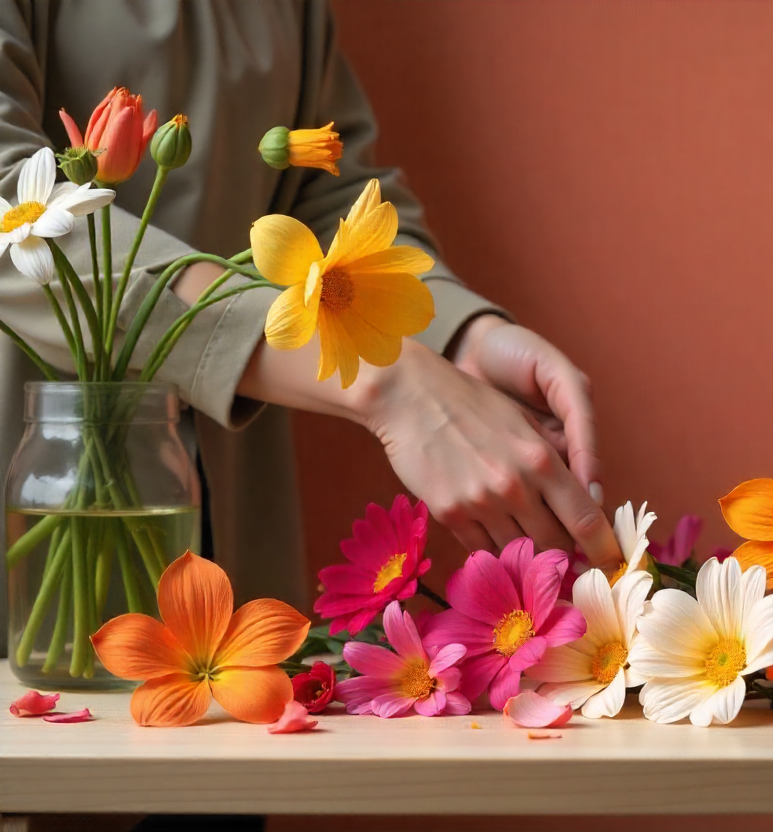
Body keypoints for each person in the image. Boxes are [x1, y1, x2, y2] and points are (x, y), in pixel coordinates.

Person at [0, 0, 623, 641]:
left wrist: (459, 335)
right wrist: (389, 384)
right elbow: (9, 199)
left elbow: (325, 193)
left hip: (233, 537)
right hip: (32, 513)